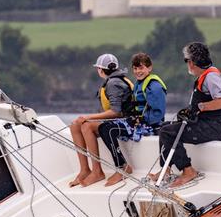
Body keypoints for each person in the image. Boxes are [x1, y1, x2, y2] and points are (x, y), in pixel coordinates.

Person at [152, 42, 221, 187]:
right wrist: (190, 111)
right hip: (203, 123)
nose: (187, 64)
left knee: (168, 132)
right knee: (164, 127)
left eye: (186, 61)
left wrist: (200, 107)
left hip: (213, 127)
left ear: (192, 62)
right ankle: (166, 169)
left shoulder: (211, 77)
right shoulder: (204, 76)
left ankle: (188, 170)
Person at [98, 52, 167, 186]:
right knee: (104, 127)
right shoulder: (139, 83)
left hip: (150, 125)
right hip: (137, 121)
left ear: (149, 68)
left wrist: (140, 120)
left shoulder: (154, 86)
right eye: (135, 68)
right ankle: (121, 165)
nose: (137, 71)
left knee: (109, 130)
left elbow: (158, 113)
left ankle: (122, 167)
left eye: (141, 68)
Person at [69, 53, 134, 187]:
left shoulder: (113, 83)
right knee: (75, 126)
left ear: (100, 70)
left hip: (128, 122)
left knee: (86, 125)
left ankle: (97, 171)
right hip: (120, 120)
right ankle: (85, 170)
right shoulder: (114, 80)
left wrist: (88, 117)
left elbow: (116, 112)